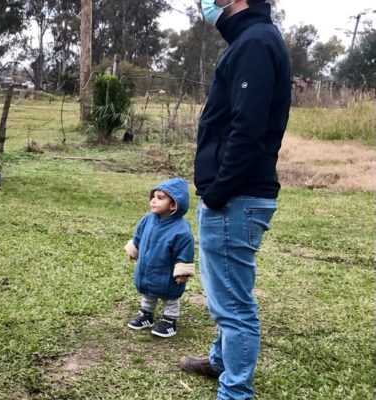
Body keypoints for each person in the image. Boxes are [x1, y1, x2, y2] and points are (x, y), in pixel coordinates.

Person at [180, 0, 291, 399]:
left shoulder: (255, 42)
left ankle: (235, 391)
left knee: (235, 306)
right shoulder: (250, 39)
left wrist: (217, 192)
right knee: (227, 291)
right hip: (238, 195)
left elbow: (248, 128)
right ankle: (220, 361)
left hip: (236, 197)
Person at [124, 178, 195, 338]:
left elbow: (185, 251)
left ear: (173, 205)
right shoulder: (147, 219)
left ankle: (169, 320)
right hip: (147, 267)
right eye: (153, 196)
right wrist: (134, 251)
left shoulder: (181, 230)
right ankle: (146, 315)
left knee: (169, 296)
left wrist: (182, 271)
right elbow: (138, 237)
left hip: (167, 272)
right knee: (148, 292)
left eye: (160, 198)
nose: (154, 201)